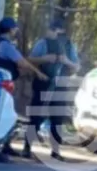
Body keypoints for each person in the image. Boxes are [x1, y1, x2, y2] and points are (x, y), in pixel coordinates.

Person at [0, 17, 47, 162]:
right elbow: (22, 62)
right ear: (9, 30)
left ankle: (2, 145)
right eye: (14, 28)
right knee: (6, 115)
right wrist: (38, 73)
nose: (16, 31)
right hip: (5, 86)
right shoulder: (6, 46)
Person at [25, 19, 81, 161]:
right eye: (51, 30)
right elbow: (30, 60)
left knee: (57, 119)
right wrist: (45, 59)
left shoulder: (69, 46)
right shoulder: (43, 43)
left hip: (60, 86)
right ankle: (27, 148)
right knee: (36, 116)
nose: (52, 33)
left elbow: (76, 67)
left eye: (55, 30)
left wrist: (66, 61)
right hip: (43, 83)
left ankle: (56, 151)